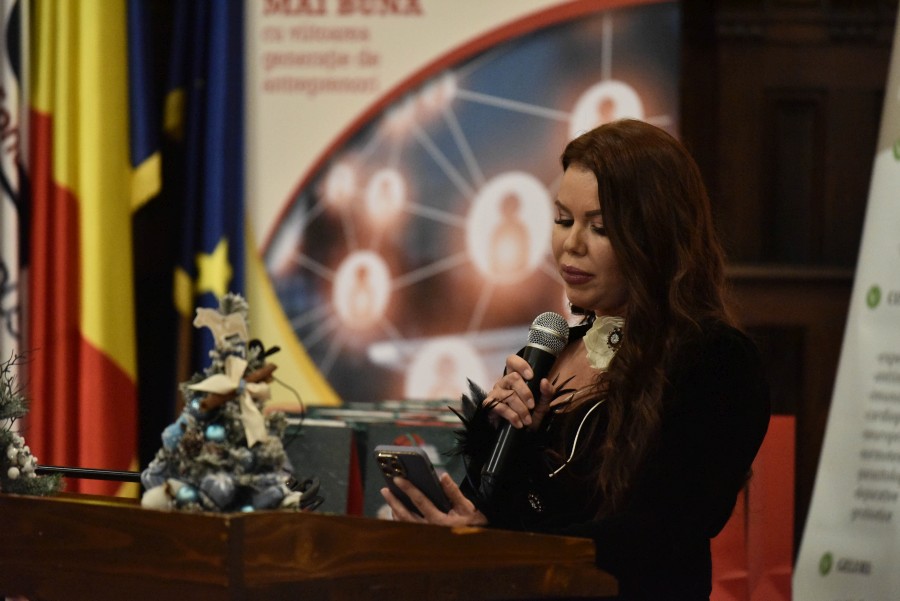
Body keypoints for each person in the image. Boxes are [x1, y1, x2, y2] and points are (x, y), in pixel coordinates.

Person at [380, 119, 771, 601]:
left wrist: (500, 548)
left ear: (657, 236)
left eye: (600, 227)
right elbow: (496, 514)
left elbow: (663, 531)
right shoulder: (552, 350)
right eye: (564, 220)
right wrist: (496, 446)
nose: (572, 244)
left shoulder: (715, 360)